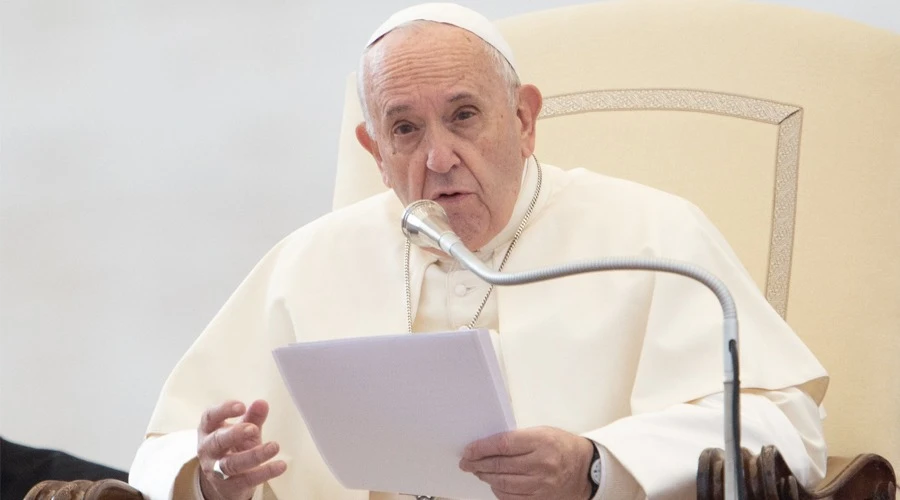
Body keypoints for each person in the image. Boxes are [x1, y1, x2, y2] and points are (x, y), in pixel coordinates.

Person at [129, 3, 829, 499]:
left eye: (464, 116)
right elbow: (161, 452)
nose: (438, 158)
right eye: (404, 129)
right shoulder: (306, 264)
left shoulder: (652, 235)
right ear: (374, 151)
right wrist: (212, 476)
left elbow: (785, 427)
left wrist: (596, 466)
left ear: (524, 119)